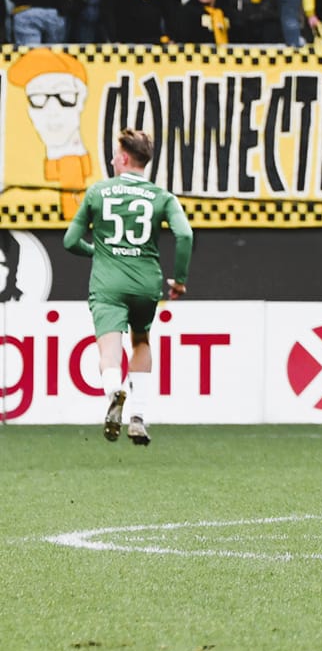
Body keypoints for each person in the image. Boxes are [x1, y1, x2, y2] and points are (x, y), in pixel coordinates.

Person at [61, 127, 193, 447]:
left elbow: (69, 241)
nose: (111, 159)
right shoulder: (162, 196)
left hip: (108, 282)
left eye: (114, 155)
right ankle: (138, 416)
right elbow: (185, 235)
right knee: (141, 340)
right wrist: (180, 279)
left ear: (123, 158)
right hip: (146, 282)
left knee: (109, 348)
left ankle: (113, 391)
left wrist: (99, 252)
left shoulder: (97, 192)